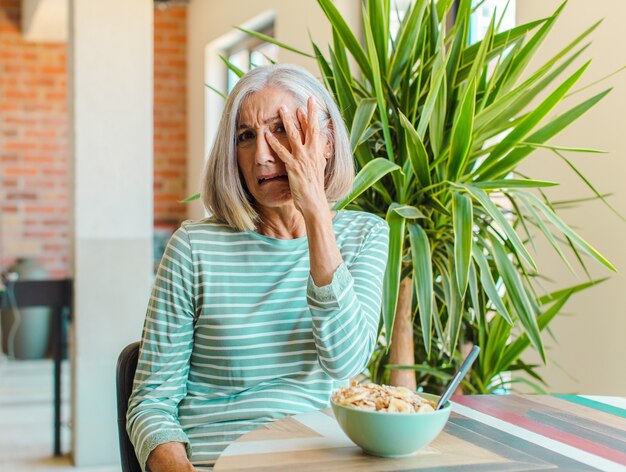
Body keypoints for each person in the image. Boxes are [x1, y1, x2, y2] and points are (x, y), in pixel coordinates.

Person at [127, 64, 389, 472]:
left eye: (281, 129)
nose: (264, 154)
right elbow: (151, 403)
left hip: (328, 461)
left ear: (326, 144)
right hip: (220, 458)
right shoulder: (194, 247)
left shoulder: (365, 236)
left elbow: (346, 362)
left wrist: (317, 214)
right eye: (246, 137)